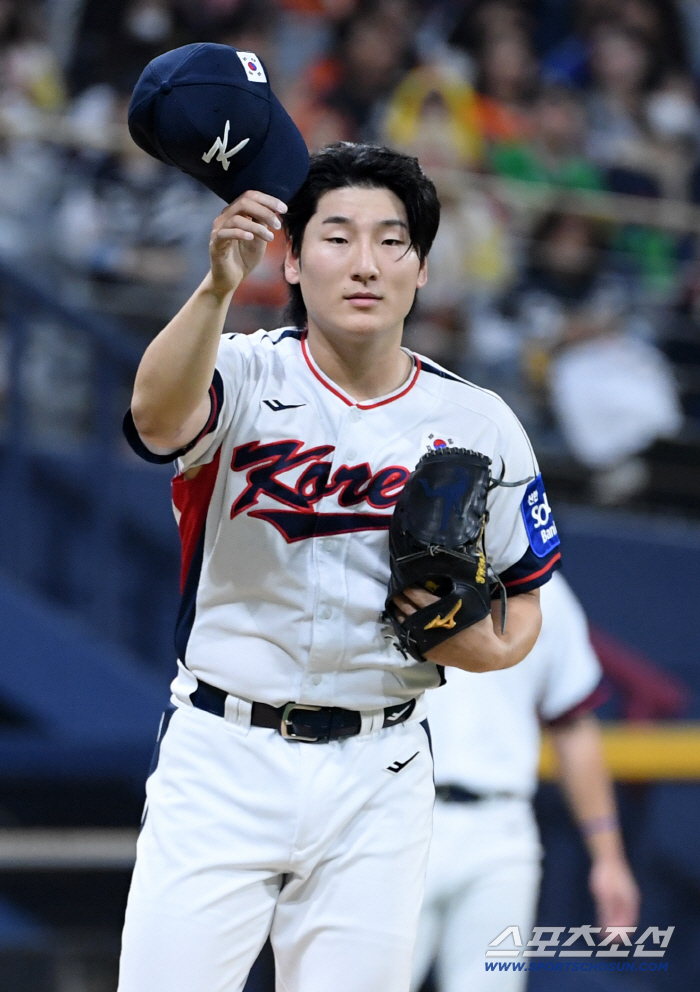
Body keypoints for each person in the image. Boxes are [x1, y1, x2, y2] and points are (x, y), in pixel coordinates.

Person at [117, 140, 561, 992]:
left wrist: (480, 646)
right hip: (222, 754)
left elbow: (526, 601)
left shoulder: (481, 419)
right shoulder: (243, 371)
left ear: (422, 269)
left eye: (391, 241)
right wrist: (215, 288)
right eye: (336, 236)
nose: (365, 264)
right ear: (291, 256)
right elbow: (156, 421)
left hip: (379, 769)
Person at [410, 570, 640, 992]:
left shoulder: (545, 589)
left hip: (502, 827)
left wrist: (609, 857)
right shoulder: (396, 562)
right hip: (399, 813)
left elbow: (571, 720)